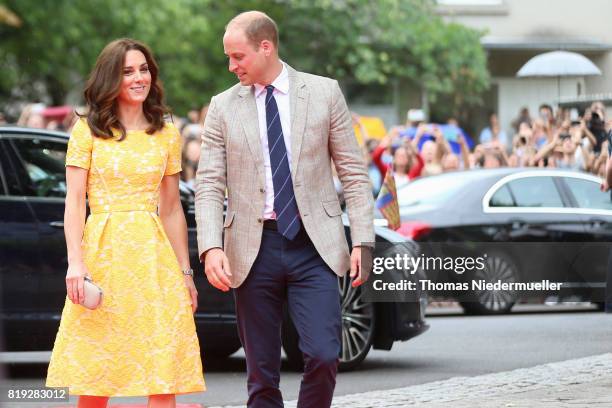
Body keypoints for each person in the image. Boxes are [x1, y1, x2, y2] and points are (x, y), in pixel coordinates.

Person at [195, 11, 374, 408]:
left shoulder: (325, 93)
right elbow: (208, 184)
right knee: (261, 374)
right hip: (252, 250)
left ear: (266, 47)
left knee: (325, 356)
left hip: (316, 248)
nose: (231, 66)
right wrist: (210, 247)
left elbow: (354, 174)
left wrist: (363, 239)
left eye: (238, 56)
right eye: (228, 57)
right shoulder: (223, 107)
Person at [46, 38, 205, 407]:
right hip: (103, 257)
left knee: (162, 373)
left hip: (154, 262)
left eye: (144, 69)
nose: (138, 78)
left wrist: (185, 273)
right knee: (96, 376)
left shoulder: (166, 134)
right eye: (128, 71)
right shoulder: (87, 131)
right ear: (110, 79)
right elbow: (74, 201)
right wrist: (75, 263)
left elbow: (171, 210)